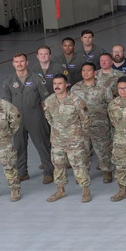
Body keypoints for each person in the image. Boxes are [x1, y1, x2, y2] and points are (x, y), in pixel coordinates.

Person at [0, 52, 54, 184]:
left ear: (27, 62)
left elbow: (45, 99)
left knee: (42, 144)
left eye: (22, 61)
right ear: (13, 64)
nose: (19, 64)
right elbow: (7, 101)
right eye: (16, 62)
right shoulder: (9, 81)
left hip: (35, 116)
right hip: (17, 119)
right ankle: (23, 173)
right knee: (19, 146)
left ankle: (48, 172)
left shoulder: (36, 79)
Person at [42, 75, 92, 203]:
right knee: (58, 165)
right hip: (57, 141)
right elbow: (49, 117)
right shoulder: (49, 101)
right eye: (55, 83)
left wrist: (81, 135)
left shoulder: (76, 100)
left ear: (66, 84)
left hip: (74, 140)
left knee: (78, 165)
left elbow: (85, 119)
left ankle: (85, 190)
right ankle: (60, 190)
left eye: (60, 83)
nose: (57, 86)